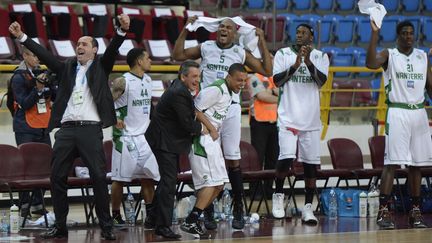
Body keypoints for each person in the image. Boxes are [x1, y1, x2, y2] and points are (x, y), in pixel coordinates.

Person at [9, 14, 131, 240]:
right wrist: (22, 37)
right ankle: (60, 225)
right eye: (78, 44)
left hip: (90, 129)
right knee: (56, 178)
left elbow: (113, 48)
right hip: (66, 131)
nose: (79, 47)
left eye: (84, 44)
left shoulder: (101, 66)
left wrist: (121, 31)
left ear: (94, 50)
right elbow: (46, 54)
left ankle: (106, 226)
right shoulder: (66, 68)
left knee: (98, 177)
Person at [173, 16, 272, 230]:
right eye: (221, 26)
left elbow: (267, 70)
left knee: (233, 158)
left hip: (232, 107)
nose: (224, 29)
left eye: (228, 27)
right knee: (209, 161)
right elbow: (177, 55)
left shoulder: (239, 52)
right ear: (216, 31)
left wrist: (262, 40)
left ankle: (238, 208)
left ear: (235, 32)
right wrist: (186, 29)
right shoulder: (206, 47)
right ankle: (207, 213)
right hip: (208, 109)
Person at [366, 20, 432, 229]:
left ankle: (415, 211)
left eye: (411, 33)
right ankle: (383, 211)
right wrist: (374, 34)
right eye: (404, 33)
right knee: (391, 163)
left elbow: (430, 88)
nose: (408, 36)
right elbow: (370, 63)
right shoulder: (389, 54)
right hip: (397, 111)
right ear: (398, 36)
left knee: (416, 165)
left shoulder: (422, 56)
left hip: (419, 113)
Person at [180, 63, 247, 238]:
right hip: (202, 139)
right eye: (239, 80)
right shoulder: (216, 89)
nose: (242, 84)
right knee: (211, 183)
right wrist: (211, 128)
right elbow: (195, 109)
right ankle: (192, 219)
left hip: (212, 140)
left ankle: (194, 217)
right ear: (229, 77)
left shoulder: (228, 92)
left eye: (244, 81)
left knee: (219, 184)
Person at [272, 23, 329, 223]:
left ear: (311, 37)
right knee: (285, 159)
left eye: (304, 32)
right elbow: (277, 81)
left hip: (311, 119)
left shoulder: (321, 56)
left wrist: (308, 63)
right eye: (297, 32)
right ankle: (278, 197)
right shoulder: (282, 54)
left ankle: (307, 208)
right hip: (288, 117)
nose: (299, 35)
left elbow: (321, 81)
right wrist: (296, 65)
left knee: (310, 166)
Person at [145, 60, 204, 239]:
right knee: (169, 182)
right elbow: (186, 123)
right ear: (183, 76)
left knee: (166, 181)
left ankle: (153, 218)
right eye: (194, 77)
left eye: (199, 77)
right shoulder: (179, 92)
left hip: (164, 140)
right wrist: (204, 128)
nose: (197, 80)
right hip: (163, 141)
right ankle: (162, 226)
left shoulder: (179, 88)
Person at [110, 48, 160, 227]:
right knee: (120, 179)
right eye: (148, 58)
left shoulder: (148, 79)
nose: (151, 60)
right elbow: (107, 103)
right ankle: (115, 215)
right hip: (126, 137)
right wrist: (114, 118)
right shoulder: (122, 81)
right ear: (139, 61)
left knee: (148, 176)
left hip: (144, 138)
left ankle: (151, 215)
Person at [11, 46, 55, 218]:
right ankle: (24, 206)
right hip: (25, 127)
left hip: (43, 125)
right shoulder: (18, 77)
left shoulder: (42, 73)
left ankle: (37, 204)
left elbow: (55, 96)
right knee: (27, 169)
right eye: (34, 55)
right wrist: (37, 89)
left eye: (39, 55)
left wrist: (51, 84)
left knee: (45, 166)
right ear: (25, 56)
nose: (37, 59)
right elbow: (24, 103)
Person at [248, 72, 279, 200]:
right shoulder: (255, 77)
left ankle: (268, 189)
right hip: (259, 122)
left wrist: (271, 92)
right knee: (258, 158)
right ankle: (255, 191)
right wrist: (277, 95)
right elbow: (261, 96)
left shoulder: (275, 78)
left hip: (274, 122)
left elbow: (281, 91)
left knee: (273, 159)